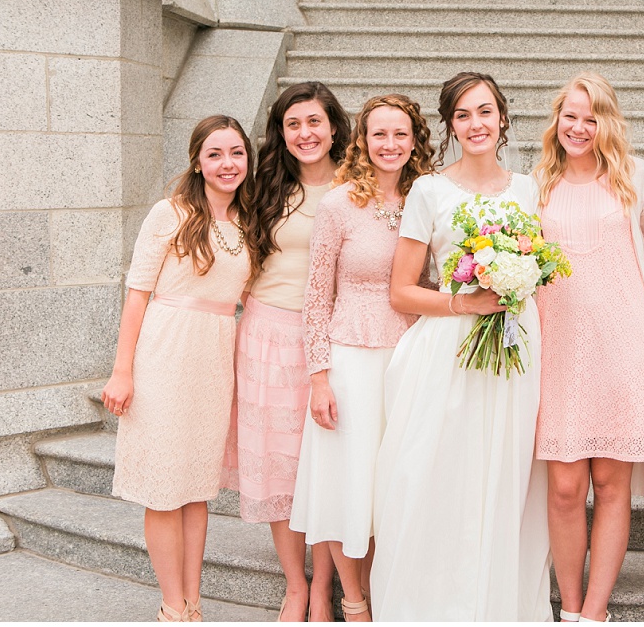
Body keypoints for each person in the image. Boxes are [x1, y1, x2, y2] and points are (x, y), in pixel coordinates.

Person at [370, 72, 553, 621]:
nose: (477, 124)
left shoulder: (529, 189)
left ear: (503, 119)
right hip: (449, 350)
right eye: (464, 115)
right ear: (451, 125)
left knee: (505, 476)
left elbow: (542, 266)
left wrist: (519, 278)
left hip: (515, 351)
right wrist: (464, 303)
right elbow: (401, 291)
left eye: (485, 112)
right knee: (437, 474)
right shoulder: (429, 190)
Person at [104, 115, 258, 622]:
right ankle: (171, 606)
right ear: (197, 160)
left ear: (247, 160)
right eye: (214, 154)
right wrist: (122, 370)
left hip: (215, 359)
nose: (226, 163)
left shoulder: (249, 221)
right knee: (166, 489)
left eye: (236, 152)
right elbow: (137, 295)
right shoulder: (169, 214)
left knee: (196, 489)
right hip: (165, 352)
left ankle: (194, 602)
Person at [290, 94, 436, 622]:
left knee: (393, 485)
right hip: (350, 362)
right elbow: (315, 297)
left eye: (401, 134)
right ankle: (354, 603)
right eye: (380, 134)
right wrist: (320, 378)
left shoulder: (430, 199)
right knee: (346, 486)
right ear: (362, 140)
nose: (390, 145)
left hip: (412, 359)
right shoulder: (338, 204)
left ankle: (394, 592)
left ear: (415, 139)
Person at [533, 73, 644, 623]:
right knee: (564, 488)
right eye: (570, 116)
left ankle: (594, 612)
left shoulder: (638, 178)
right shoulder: (535, 183)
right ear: (556, 120)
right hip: (559, 354)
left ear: (606, 122)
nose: (579, 128)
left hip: (623, 348)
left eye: (591, 118)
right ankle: (566, 603)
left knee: (612, 485)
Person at [229, 82, 350, 621]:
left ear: (333, 127)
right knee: (279, 469)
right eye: (293, 124)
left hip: (333, 341)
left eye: (314, 122)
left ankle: (323, 586)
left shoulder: (356, 185)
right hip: (266, 336)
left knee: (323, 465)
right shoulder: (263, 188)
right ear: (281, 132)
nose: (305, 133)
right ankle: (294, 584)